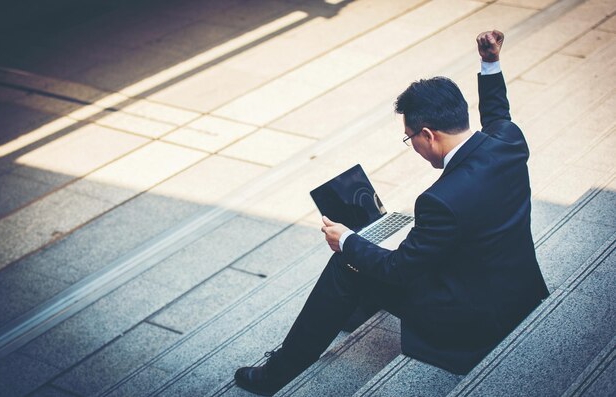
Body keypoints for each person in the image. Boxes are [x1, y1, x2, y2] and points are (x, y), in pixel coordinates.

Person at [234, 29, 549, 396]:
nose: (411, 145)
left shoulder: (440, 200)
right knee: (367, 258)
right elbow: (497, 114)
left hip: (469, 320)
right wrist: (490, 62)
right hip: (517, 289)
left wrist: (347, 241)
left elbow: (399, 270)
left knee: (348, 265)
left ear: (428, 134)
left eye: (409, 137)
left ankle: (277, 374)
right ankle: (346, 308)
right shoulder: (509, 141)